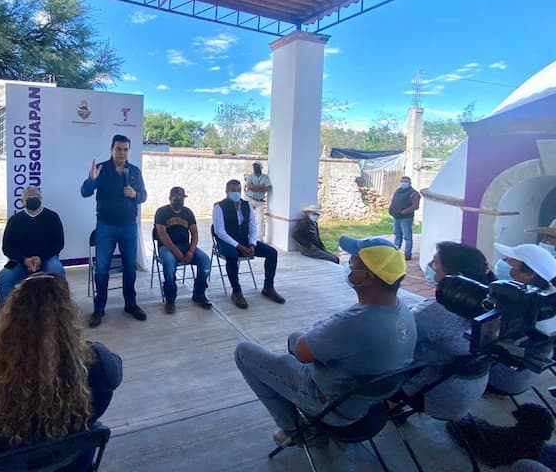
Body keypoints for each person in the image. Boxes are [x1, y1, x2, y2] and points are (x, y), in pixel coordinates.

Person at [235, 236, 416, 446]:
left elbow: (303, 353)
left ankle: (295, 430)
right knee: (294, 338)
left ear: (367, 278)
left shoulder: (353, 323)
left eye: (352, 264)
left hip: (332, 406)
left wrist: (324, 329)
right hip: (366, 399)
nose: (348, 267)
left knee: (244, 352)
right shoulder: (402, 311)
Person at [0, 273, 123, 471]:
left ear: (10, 322)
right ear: (68, 318)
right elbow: (116, 369)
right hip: (73, 464)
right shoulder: (98, 364)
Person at [402, 241, 494, 420]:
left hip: (435, 395)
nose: (429, 266)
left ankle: (389, 403)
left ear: (457, 277)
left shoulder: (438, 312)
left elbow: (396, 339)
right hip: (473, 388)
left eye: (435, 263)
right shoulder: (491, 303)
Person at [81, 134, 148, 328]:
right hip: (106, 227)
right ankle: (99, 308)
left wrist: (136, 194)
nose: (122, 153)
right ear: (112, 149)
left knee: (130, 267)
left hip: (129, 227)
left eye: (126, 149)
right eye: (119, 149)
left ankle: (130, 304)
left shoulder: (134, 171)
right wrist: (91, 180)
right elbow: (85, 192)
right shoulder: (101, 169)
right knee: (102, 269)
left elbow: (143, 196)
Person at [487, 242, 556, 395]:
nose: (504, 264)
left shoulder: (531, 312)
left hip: (506, 379)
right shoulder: (548, 299)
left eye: (510, 264)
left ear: (529, 274)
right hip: (529, 375)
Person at [212, 179, 284, 309]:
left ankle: (268, 287)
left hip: (245, 241)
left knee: (272, 253)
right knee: (232, 256)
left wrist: (252, 245)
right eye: (232, 190)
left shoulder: (247, 205)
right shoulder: (219, 207)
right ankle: (236, 291)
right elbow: (220, 232)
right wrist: (238, 246)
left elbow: (252, 227)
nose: (236, 193)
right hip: (226, 242)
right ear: (226, 192)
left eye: (238, 190)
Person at [0, 186, 65, 306]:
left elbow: (59, 243)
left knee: (57, 271)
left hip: (47, 258)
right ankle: (8, 317)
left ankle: (59, 312)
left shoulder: (52, 217)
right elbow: (7, 247)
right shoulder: (14, 220)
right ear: (22, 201)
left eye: (36, 196)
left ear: (41, 198)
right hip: (19, 261)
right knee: (3, 277)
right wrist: (24, 259)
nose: (33, 198)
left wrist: (40, 258)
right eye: (29, 197)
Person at [153, 186, 212, 313]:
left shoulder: (188, 212)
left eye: (182, 197)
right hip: (167, 248)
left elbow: (195, 234)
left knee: (205, 261)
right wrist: (176, 252)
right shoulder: (161, 212)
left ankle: (199, 293)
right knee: (169, 264)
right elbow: (163, 235)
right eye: (176, 197)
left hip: (185, 246)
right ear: (170, 198)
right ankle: (170, 298)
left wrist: (191, 251)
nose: (180, 200)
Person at [389, 175, 420, 261]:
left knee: (407, 237)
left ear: (410, 183)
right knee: (397, 235)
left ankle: (407, 254)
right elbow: (393, 201)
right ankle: (395, 252)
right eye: (402, 181)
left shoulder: (413, 193)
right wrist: (391, 210)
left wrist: (404, 212)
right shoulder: (398, 191)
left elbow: (415, 206)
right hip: (396, 217)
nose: (403, 183)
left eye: (405, 181)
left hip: (406, 218)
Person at [244, 162, 271, 241]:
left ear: (260, 168)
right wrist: (261, 187)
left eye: (257, 166)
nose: (255, 168)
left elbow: (268, 188)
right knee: (248, 218)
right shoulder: (250, 177)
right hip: (250, 199)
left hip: (259, 201)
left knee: (260, 219)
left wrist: (254, 187)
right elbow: (249, 187)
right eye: (254, 167)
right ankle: (247, 237)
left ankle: (259, 239)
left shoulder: (265, 177)